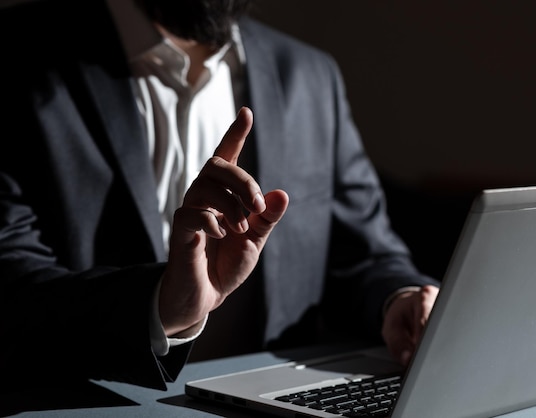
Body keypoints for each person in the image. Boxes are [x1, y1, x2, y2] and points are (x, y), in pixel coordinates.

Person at [0, 0, 439, 391]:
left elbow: (365, 252)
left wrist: (400, 299)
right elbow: (9, 280)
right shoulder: (17, 52)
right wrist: (159, 306)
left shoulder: (310, 75)